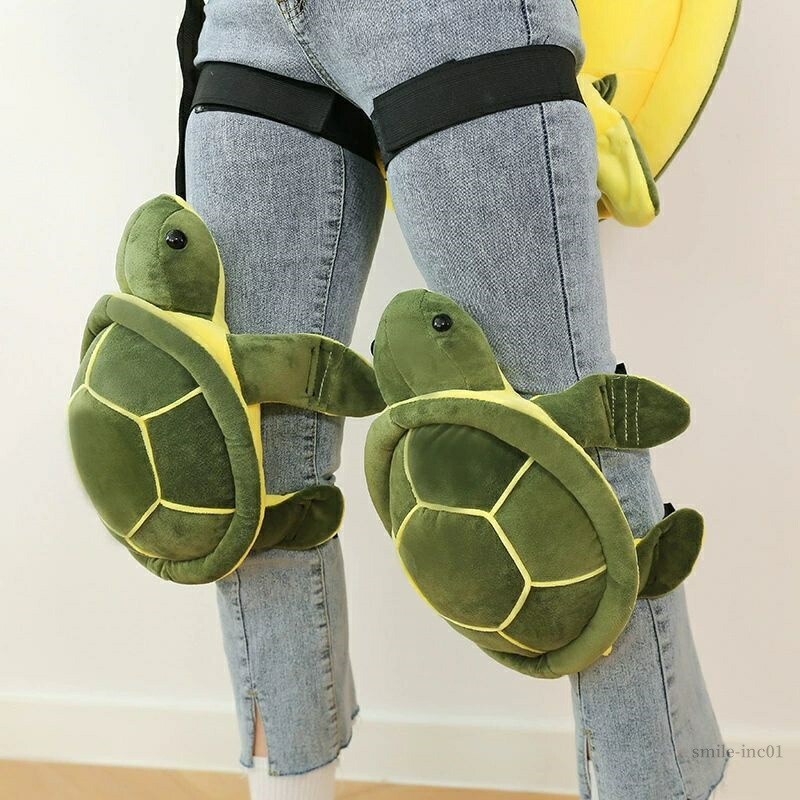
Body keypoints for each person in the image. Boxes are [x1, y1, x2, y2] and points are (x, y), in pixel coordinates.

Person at [184, 1, 726, 798]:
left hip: (448, 16)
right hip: (249, 21)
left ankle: (655, 783)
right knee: (254, 463)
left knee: (572, 454)